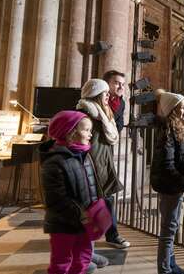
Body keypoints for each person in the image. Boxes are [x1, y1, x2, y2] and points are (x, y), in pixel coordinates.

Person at [76, 79, 129, 269]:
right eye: (105, 93)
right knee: (89, 214)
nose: (108, 96)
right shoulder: (86, 114)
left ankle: (88, 252)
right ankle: (83, 257)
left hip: (101, 165)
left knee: (97, 215)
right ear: (96, 95)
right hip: (91, 168)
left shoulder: (101, 114)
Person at [40, 111, 98, 274]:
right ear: (70, 132)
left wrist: (96, 209)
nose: (90, 134)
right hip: (63, 223)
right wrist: (82, 214)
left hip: (84, 220)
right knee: (61, 262)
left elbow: (91, 186)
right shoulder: (54, 161)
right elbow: (56, 199)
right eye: (86, 130)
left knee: (83, 259)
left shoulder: (85, 155)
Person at [151, 89, 184, 274]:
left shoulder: (180, 128)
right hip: (170, 186)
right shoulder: (167, 133)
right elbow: (168, 167)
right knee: (168, 229)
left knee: (173, 226)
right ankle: (164, 270)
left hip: (177, 186)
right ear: (172, 110)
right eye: (182, 108)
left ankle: (172, 266)